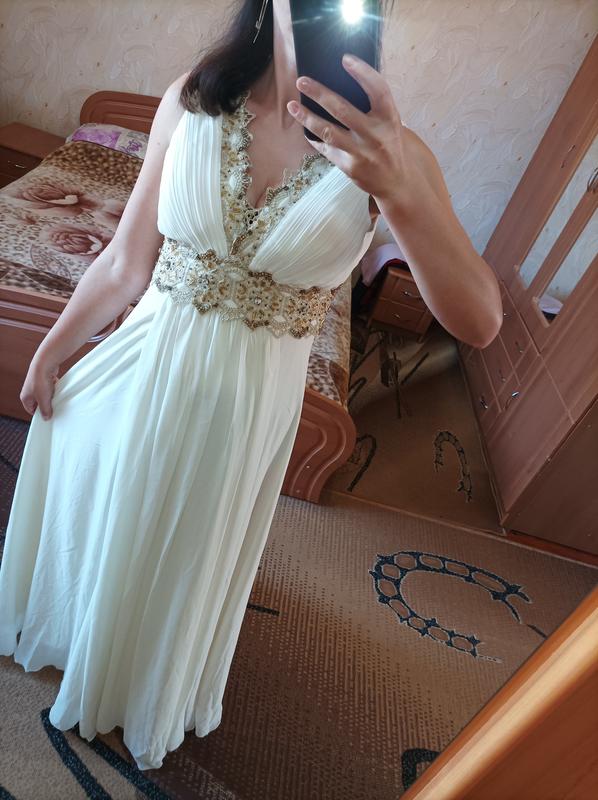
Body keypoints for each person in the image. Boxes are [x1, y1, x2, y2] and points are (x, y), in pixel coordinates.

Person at [0, 0, 501, 772]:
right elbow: (126, 262)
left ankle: (135, 677)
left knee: (185, 545)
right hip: (143, 363)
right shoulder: (191, 101)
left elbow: (480, 321)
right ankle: (78, 632)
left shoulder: (398, 155)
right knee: (108, 491)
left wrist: (398, 192)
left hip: (244, 406)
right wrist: (52, 347)